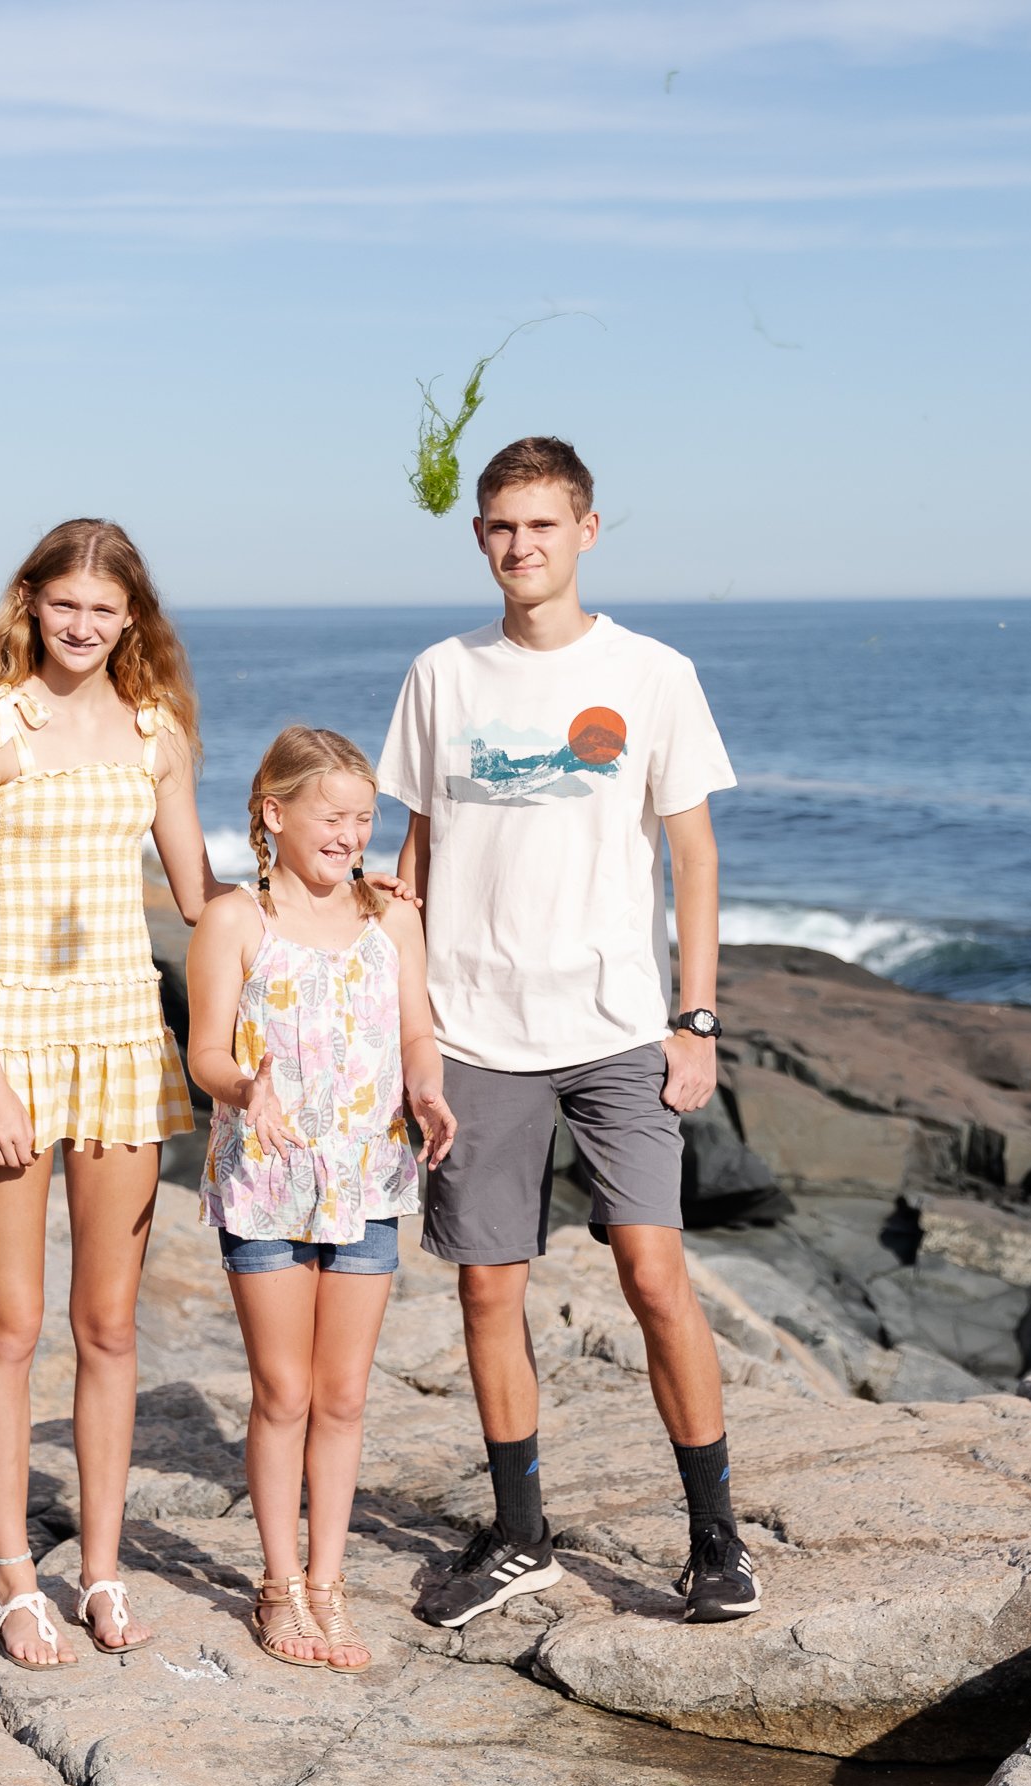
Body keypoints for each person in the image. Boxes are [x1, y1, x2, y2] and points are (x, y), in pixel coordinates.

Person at [377, 435, 759, 1627]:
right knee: (490, 1290)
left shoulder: (652, 673)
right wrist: (404, 1028)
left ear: (585, 531)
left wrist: (693, 1020)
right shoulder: (443, 674)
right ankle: (522, 1538)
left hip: (615, 1027)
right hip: (475, 1033)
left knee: (654, 1274)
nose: (520, 546)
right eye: (500, 527)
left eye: (542, 525)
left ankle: (715, 1542)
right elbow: (418, 856)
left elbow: (691, 857)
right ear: (480, 537)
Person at [0, 518, 217, 1671]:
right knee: (12, 1325)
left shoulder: (158, 732)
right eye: (63, 606)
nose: (82, 627)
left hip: (121, 1045)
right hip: (11, 1041)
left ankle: (100, 1566)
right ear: (31, 603)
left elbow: (199, 897)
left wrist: (332, 886)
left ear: (131, 618)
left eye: (104, 610)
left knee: (107, 1326)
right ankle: (10, 1577)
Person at [187, 728, 456, 1672]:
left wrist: (425, 1091)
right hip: (264, 1184)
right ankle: (276, 1582)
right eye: (332, 816)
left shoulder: (392, 918)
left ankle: (329, 1584)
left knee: (342, 1395)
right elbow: (205, 1051)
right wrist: (245, 1089)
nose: (351, 835)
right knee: (284, 1391)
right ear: (274, 812)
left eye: (363, 818)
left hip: (366, 1181)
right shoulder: (235, 920)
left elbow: (418, 1033)